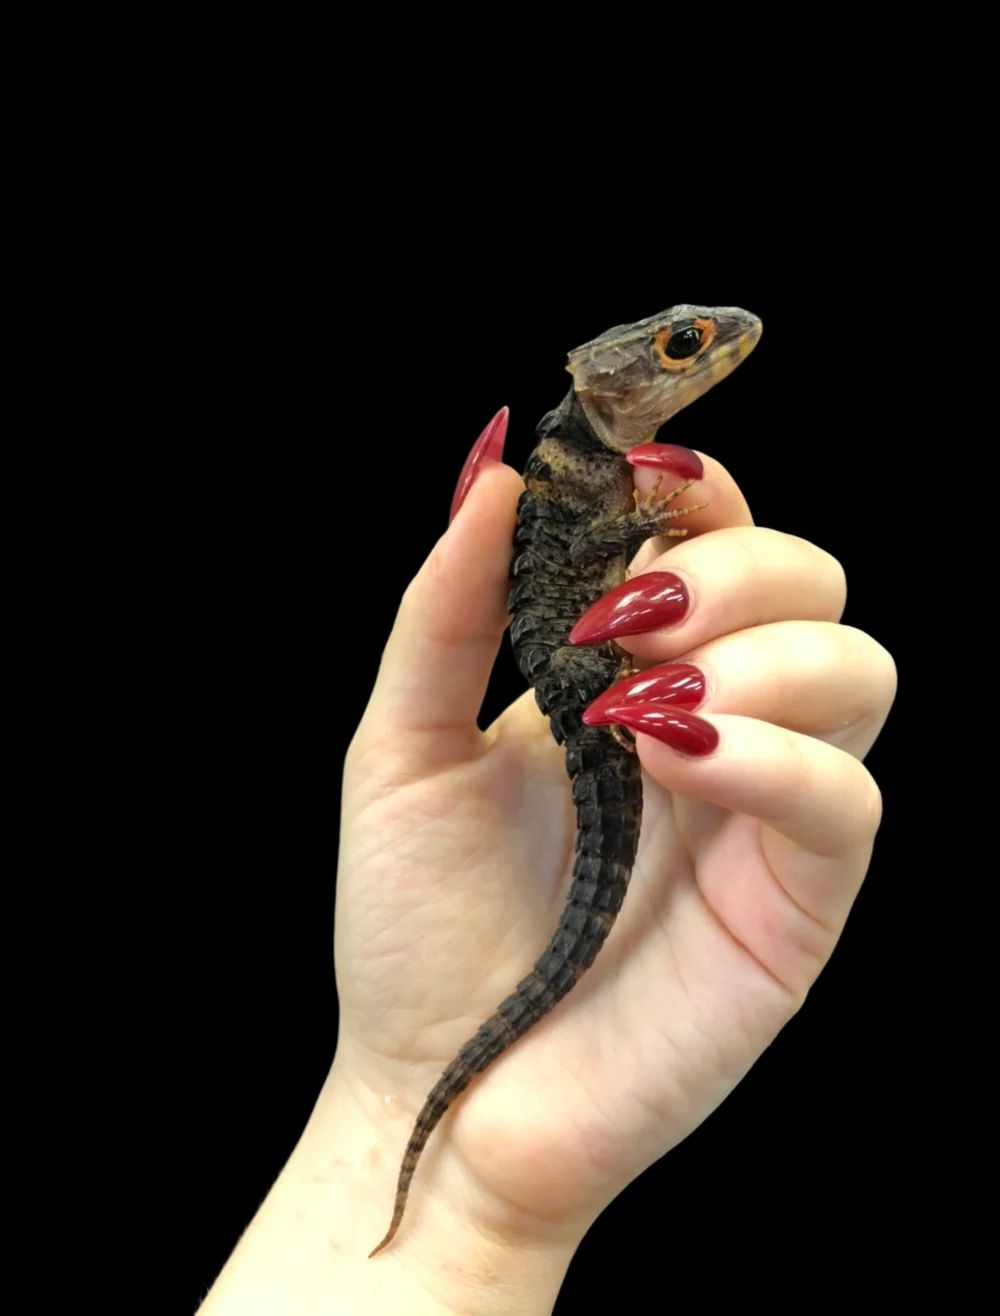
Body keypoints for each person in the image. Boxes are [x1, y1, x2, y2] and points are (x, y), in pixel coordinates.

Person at [199, 414, 895, 1313]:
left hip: (593, 675)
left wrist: (478, 1214)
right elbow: (602, 535)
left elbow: (599, 542)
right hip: (582, 680)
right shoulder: (581, 464)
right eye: (679, 348)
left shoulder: (589, 461)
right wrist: (652, 521)